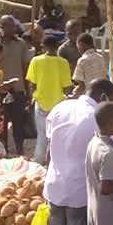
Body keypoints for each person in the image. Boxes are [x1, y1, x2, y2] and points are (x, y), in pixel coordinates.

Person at [43, 79, 113, 225]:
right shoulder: (98, 117)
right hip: (80, 189)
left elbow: (49, 148)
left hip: (55, 184)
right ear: (104, 97)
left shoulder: (60, 108)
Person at [26, 35, 73, 164]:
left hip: (40, 102)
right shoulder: (63, 63)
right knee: (57, 135)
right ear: (57, 46)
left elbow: (32, 84)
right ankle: (57, 161)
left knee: (42, 135)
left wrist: (31, 98)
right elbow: (67, 87)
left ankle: (39, 161)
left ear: (43, 46)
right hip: (58, 103)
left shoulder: (36, 61)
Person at [0, 15, 31, 156]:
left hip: (18, 89)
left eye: (13, 26)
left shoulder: (21, 44)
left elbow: (25, 67)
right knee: (2, 124)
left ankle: (19, 150)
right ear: (2, 27)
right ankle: (4, 150)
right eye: (9, 26)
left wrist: (27, 89)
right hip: (1, 91)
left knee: (19, 123)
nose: (12, 29)